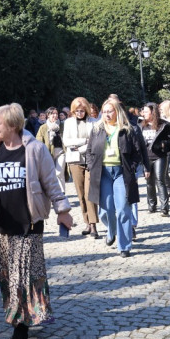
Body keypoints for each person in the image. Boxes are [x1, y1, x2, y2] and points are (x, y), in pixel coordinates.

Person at [0, 103, 73, 339]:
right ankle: (25, 315)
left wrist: (63, 210)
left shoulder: (35, 150)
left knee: (21, 276)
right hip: (0, 225)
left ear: (13, 125)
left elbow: (51, 181)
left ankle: (20, 328)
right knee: (7, 277)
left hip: (28, 223)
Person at [84, 97, 148, 257]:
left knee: (123, 209)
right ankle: (111, 231)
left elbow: (137, 152)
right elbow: (89, 151)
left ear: (117, 112)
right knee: (105, 210)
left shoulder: (128, 129)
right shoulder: (96, 129)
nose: (106, 114)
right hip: (102, 172)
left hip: (122, 172)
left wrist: (132, 167)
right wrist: (92, 167)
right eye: (104, 112)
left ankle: (124, 246)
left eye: (109, 111)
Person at [62, 98, 99, 238]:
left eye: (82, 111)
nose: (79, 113)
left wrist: (80, 147)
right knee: (81, 193)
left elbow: (95, 142)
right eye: (77, 111)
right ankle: (87, 223)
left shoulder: (94, 122)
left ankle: (94, 224)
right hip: (74, 161)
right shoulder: (68, 123)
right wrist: (84, 141)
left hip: (90, 160)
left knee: (90, 192)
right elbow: (67, 141)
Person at [140, 102, 170, 217]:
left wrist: (162, 145)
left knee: (160, 180)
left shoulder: (164, 125)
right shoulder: (141, 125)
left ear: (152, 112)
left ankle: (164, 208)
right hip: (146, 157)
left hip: (159, 156)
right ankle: (152, 205)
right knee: (149, 182)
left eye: (146, 111)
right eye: (143, 111)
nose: (143, 113)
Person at [35, 107, 67, 192]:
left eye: (56, 113)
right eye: (52, 113)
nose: (55, 115)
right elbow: (38, 142)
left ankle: (62, 193)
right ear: (48, 115)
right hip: (48, 153)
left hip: (61, 152)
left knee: (59, 173)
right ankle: (51, 192)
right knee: (49, 174)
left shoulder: (62, 126)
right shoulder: (43, 127)